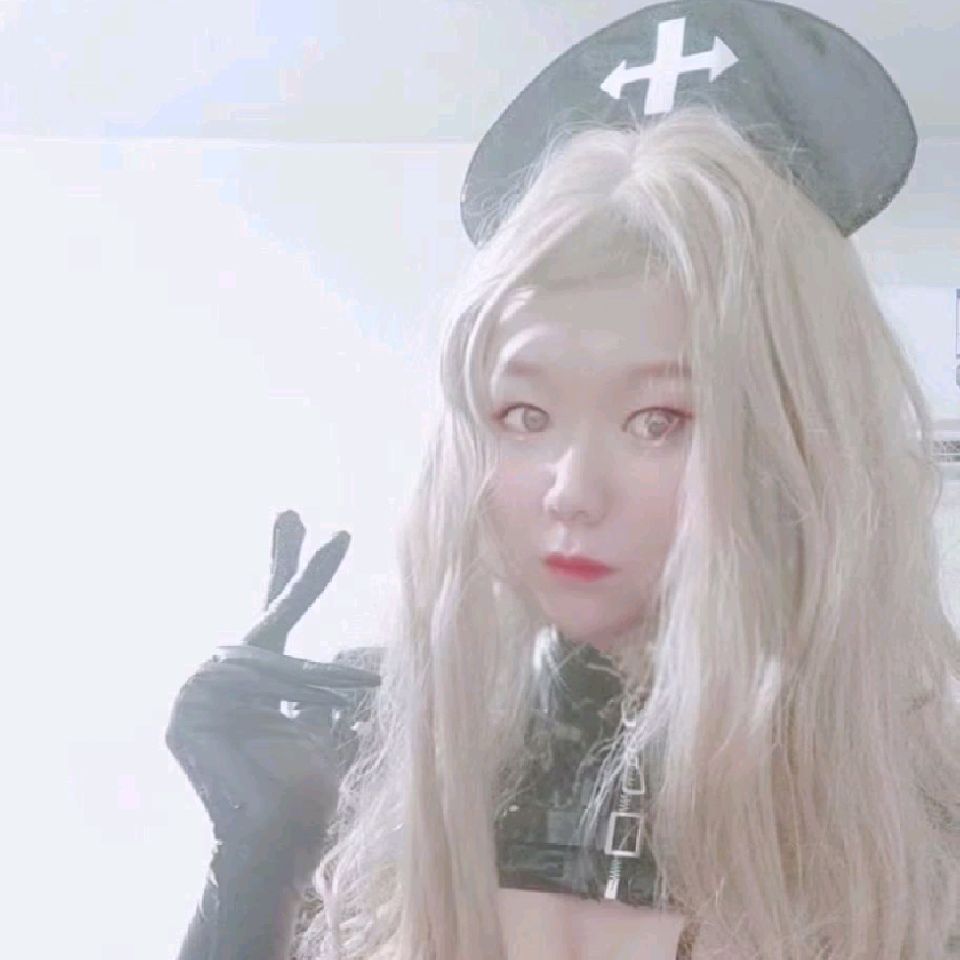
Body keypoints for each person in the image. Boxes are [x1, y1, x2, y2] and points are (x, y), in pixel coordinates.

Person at [166, 4, 960, 959]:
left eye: (658, 421)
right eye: (525, 416)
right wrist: (261, 857)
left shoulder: (916, 815)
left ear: (794, 444)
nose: (572, 491)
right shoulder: (392, 762)